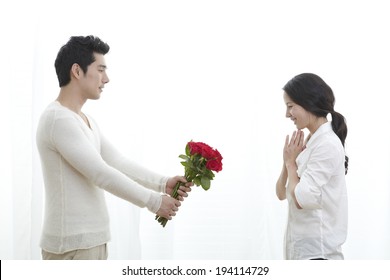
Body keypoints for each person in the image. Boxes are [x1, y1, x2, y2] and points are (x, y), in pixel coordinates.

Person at [36, 35, 192, 260]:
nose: (106, 79)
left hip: (92, 241)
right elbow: (101, 173)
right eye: (100, 70)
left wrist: (163, 183)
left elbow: (117, 162)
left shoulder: (83, 119)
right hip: (71, 245)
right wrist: (155, 202)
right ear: (77, 71)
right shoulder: (57, 119)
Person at [275, 73, 348, 260]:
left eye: (290, 106)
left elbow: (302, 200)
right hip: (301, 252)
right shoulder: (310, 141)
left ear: (308, 102)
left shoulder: (327, 144)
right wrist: (287, 161)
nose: (286, 114)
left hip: (318, 254)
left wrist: (292, 164)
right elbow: (282, 194)